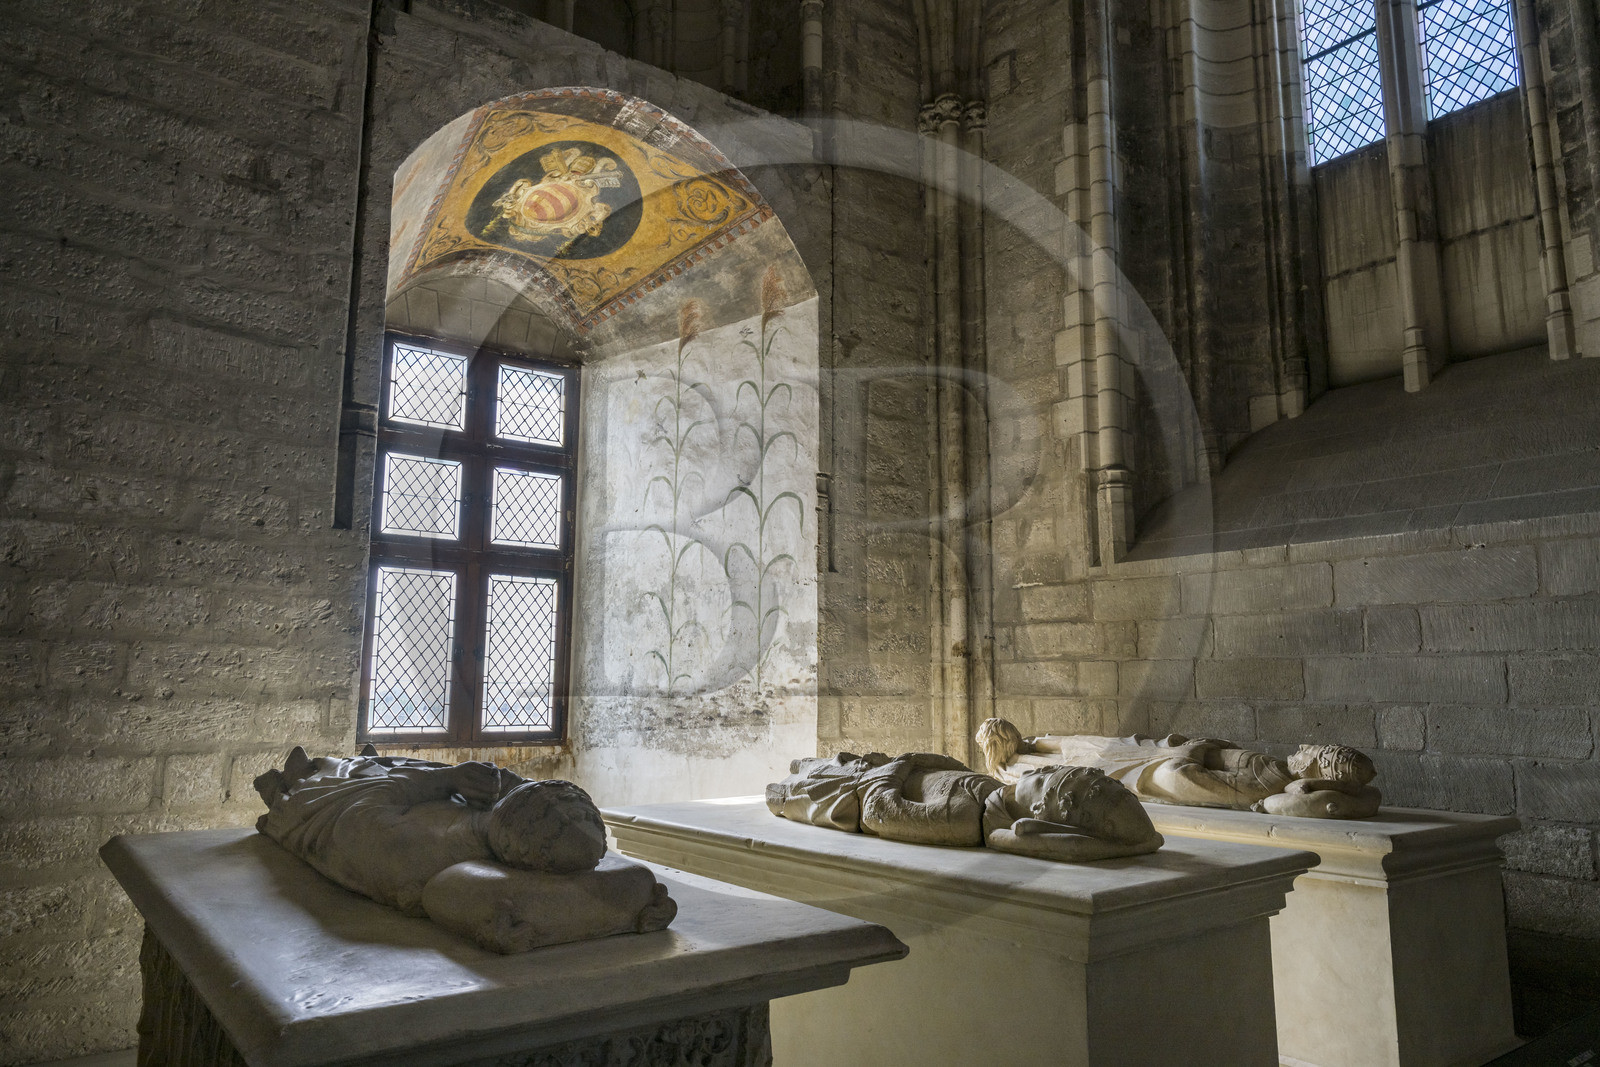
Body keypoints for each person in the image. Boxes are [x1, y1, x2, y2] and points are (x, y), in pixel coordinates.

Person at [254, 746, 675, 952]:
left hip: (351, 800)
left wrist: (448, 779)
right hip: (379, 798)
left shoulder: (422, 855)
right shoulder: (452, 847)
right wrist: (456, 780)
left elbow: (362, 805)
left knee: (457, 893)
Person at [767, 750, 1163, 861]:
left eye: (1044, 781)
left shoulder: (961, 818)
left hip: (842, 792)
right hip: (870, 768)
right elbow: (954, 768)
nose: (1039, 770)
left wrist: (900, 766)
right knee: (809, 760)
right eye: (1050, 768)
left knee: (786, 785)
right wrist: (913, 760)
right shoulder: (993, 793)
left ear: (1038, 812)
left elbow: (879, 813)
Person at [975, 718, 1380, 818]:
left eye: (1317, 753)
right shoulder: (1272, 767)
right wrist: (1194, 746)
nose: (1306, 746)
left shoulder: (1265, 788)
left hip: (1149, 772)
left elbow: (1181, 779)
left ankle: (1013, 765)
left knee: (1087, 766)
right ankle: (1025, 750)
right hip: (1153, 753)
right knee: (1091, 746)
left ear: (1317, 770)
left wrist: (1190, 752)